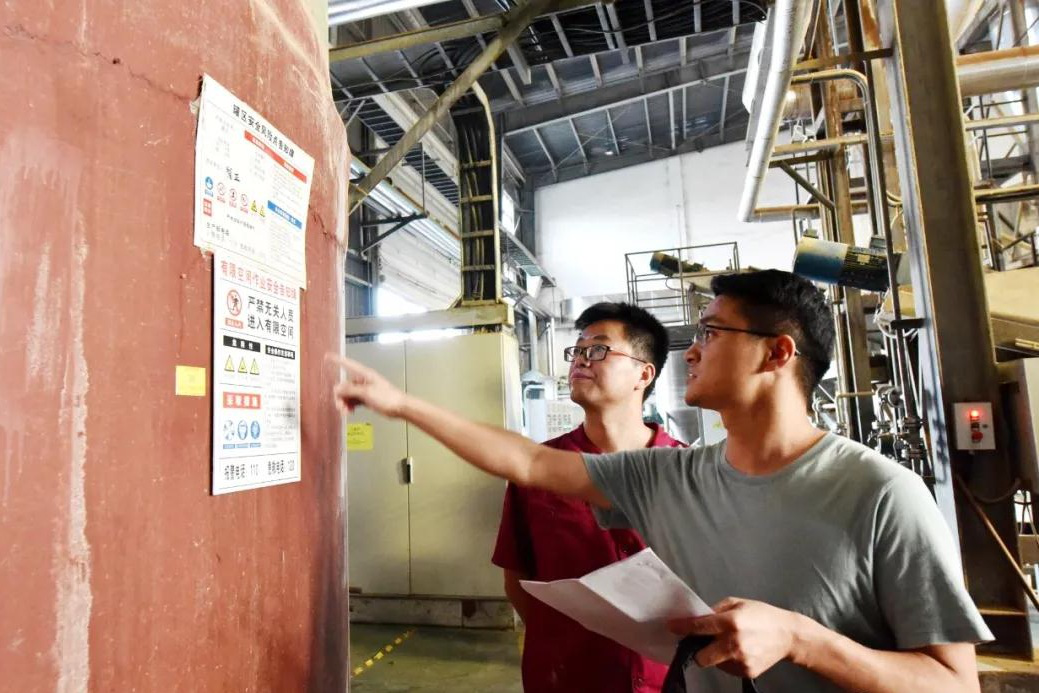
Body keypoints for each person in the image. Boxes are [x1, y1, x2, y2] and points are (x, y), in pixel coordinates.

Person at [332, 269, 991, 693]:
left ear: (777, 352)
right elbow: (528, 463)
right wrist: (401, 403)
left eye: (711, 332)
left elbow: (953, 683)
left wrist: (802, 640)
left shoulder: (882, 495)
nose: (692, 349)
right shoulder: (670, 477)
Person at [494, 302, 685, 693]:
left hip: (668, 679)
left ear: (644, 374)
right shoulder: (541, 468)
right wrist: (563, 643)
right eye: (577, 350)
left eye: (598, 349)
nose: (581, 359)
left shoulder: (686, 469)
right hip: (568, 677)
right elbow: (517, 579)